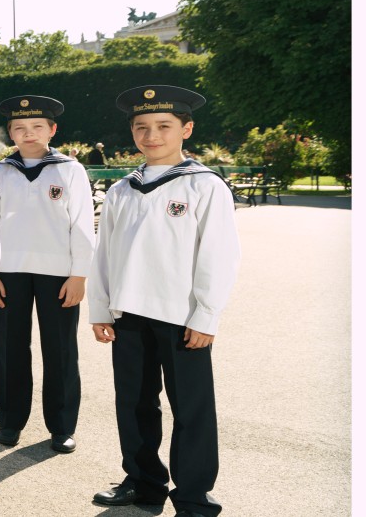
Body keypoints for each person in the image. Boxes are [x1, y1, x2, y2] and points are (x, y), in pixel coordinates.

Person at [88, 85, 236, 517]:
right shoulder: (121, 190)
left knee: (190, 408)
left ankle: (193, 494)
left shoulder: (205, 186)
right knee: (134, 403)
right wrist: (100, 308)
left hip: (181, 316)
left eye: (164, 126)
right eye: (142, 127)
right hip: (129, 314)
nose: (151, 135)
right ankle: (143, 481)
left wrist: (207, 315)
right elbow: (105, 254)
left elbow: (219, 255)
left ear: (186, 129)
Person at [0, 95, 94, 454]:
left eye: (37, 127)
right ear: (10, 132)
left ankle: (62, 426)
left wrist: (79, 274)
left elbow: (81, 224)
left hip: (59, 274)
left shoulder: (70, 170)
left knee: (60, 349)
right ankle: (10, 420)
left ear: (52, 129)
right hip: (9, 271)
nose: (28, 134)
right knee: (10, 348)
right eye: (19, 128)